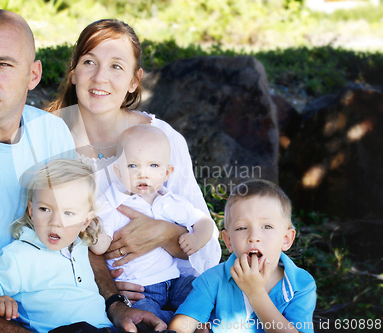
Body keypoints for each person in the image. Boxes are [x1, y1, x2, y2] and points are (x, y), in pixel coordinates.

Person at [0, 10, 163, 333]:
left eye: (3, 64)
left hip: (62, 316)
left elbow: (77, 230)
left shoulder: (51, 133)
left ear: (33, 75)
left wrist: (114, 305)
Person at [46, 19, 221, 303]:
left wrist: (166, 234)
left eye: (116, 66)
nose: (100, 77)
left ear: (134, 81)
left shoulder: (161, 138)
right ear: (74, 72)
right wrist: (107, 289)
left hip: (167, 287)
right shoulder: (46, 138)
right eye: (90, 62)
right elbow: (35, 232)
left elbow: (208, 249)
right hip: (83, 293)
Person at [91, 125, 215, 323]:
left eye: (153, 166)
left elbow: (204, 222)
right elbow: (100, 245)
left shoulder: (171, 201)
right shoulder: (113, 205)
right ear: (118, 171)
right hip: (140, 290)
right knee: (147, 319)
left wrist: (197, 237)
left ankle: (197, 322)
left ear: (167, 173)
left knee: (203, 291)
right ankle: (176, 323)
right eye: (133, 166)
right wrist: (92, 234)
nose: (143, 174)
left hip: (175, 282)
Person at [0, 159, 112, 332]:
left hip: (105, 327)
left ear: (85, 221)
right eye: (45, 209)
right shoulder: (21, 254)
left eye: (68, 213)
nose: (55, 222)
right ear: (31, 212)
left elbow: (101, 245)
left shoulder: (80, 245)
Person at [168, 180, 317, 333]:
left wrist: (256, 293)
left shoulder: (301, 284)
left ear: (286, 239)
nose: (253, 236)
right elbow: (180, 326)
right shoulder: (212, 280)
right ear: (228, 241)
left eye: (267, 226)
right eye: (242, 228)